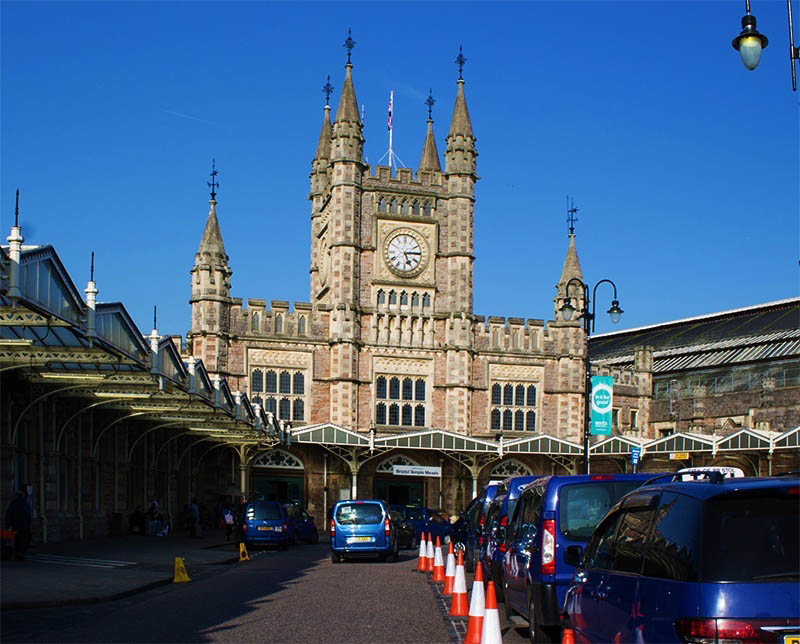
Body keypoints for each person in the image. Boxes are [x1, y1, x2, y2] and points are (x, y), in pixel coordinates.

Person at [5, 485, 32, 560]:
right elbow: (27, 514)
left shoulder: (14, 503)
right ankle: (20, 553)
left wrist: (9, 525)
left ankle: (18, 553)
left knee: (18, 540)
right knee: (23, 540)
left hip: (16, 525)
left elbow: (9, 514)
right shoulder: (24, 503)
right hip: (23, 525)